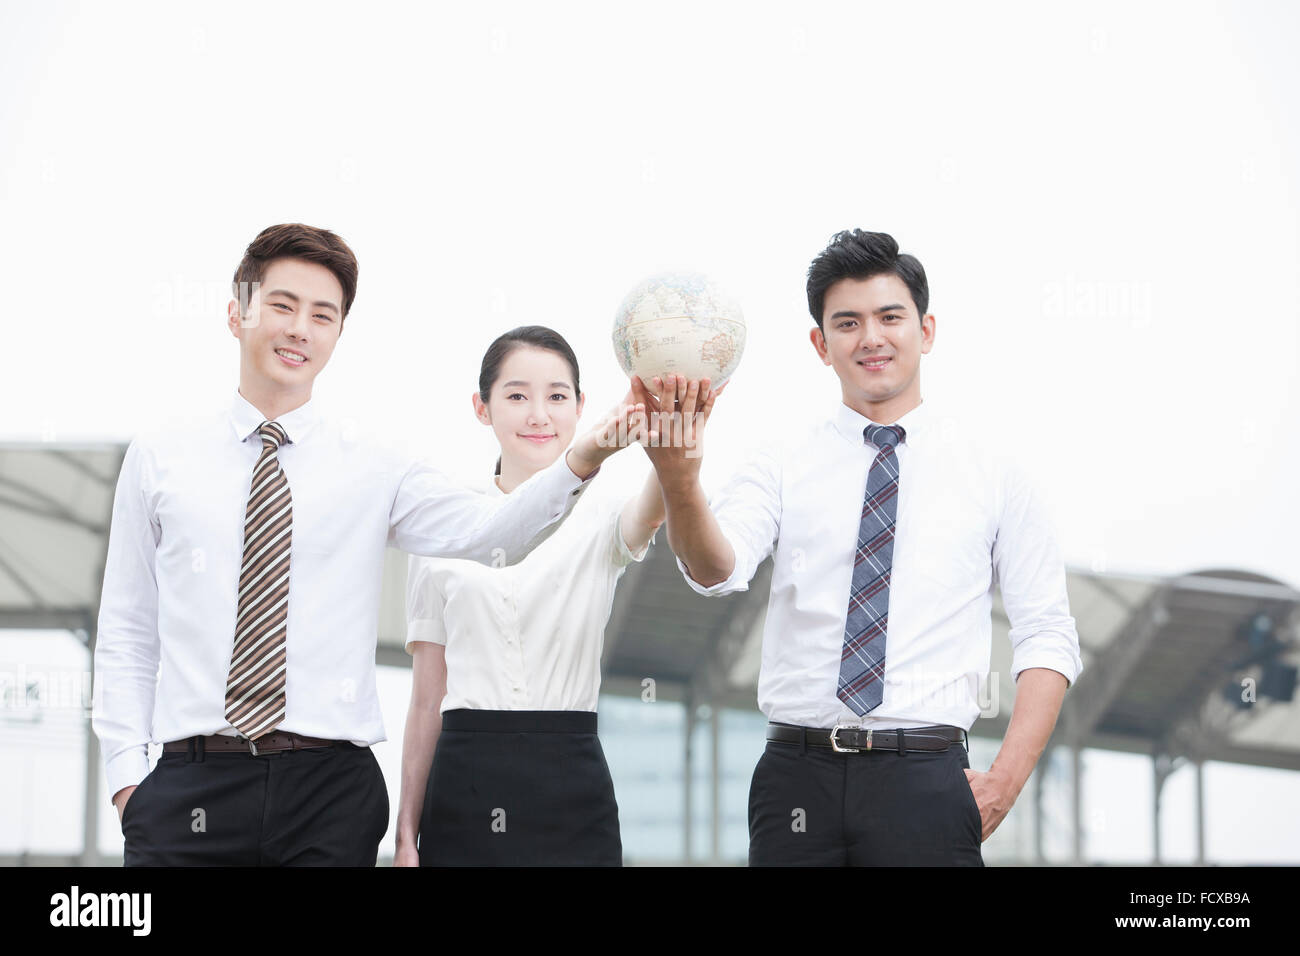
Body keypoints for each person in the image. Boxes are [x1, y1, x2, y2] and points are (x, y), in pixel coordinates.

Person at [93, 224, 619, 866]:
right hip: (188, 789)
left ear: (338, 334)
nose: (300, 330)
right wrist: (128, 784)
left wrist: (586, 455)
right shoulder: (159, 457)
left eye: (323, 315)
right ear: (238, 312)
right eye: (282, 306)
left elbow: (490, 533)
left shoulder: (376, 464)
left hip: (328, 793)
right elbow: (126, 630)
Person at [633, 229, 1083, 866]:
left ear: (926, 330)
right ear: (820, 344)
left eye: (889, 317)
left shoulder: (996, 472)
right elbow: (716, 571)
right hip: (797, 775)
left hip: (925, 780)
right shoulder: (780, 460)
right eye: (847, 323)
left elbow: (1046, 634)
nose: (871, 338)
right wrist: (680, 482)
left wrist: (1006, 780)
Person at [394, 326, 720, 866]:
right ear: (483, 407)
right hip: (465, 779)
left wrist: (673, 432)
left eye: (557, 396)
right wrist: (405, 834)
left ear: (580, 406)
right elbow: (427, 699)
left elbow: (664, 495)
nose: (539, 414)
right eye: (517, 395)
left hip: (572, 775)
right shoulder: (444, 528)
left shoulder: (604, 511)